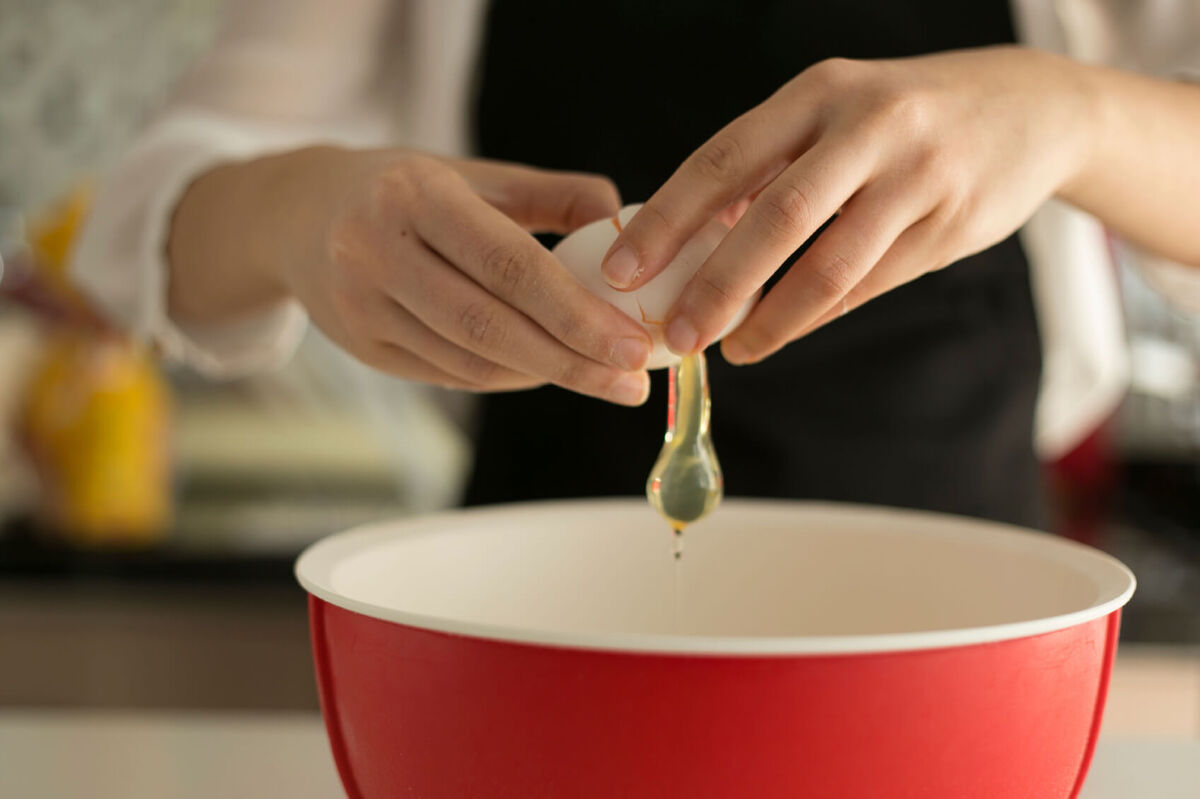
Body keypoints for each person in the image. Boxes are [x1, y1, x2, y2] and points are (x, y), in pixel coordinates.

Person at [74, 0, 1200, 529]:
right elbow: (138, 222)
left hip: (951, 603)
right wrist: (294, 210)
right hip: (533, 608)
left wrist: (1079, 114)